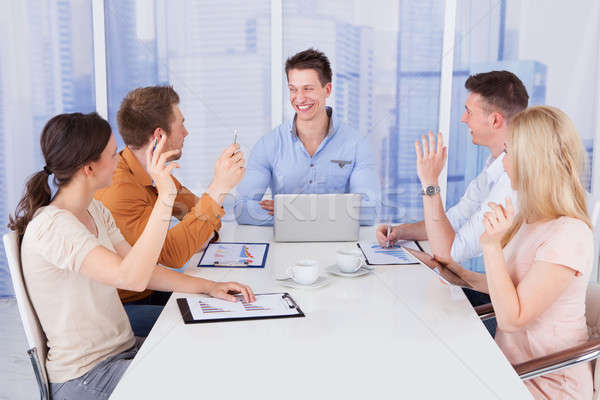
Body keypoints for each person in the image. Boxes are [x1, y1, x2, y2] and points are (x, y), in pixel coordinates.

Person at [10, 112, 255, 400]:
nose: (119, 160)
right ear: (89, 168)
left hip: (121, 350)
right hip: (86, 376)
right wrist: (164, 197)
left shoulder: (94, 210)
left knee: (211, 351)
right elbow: (132, 277)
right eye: (113, 155)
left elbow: (145, 269)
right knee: (199, 382)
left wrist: (209, 288)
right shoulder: (54, 227)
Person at [433, 106, 593, 399]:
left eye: (509, 152)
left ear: (533, 161)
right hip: (505, 368)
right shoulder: (529, 220)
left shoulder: (569, 234)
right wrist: (455, 272)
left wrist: (491, 246)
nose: (503, 163)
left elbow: (512, 317)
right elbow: (508, 287)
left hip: (542, 382)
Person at [95, 86, 245, 335]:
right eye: (181, 124)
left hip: (151, 290)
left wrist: (198, 227)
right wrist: (218, 187)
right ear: (159, 136)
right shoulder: (119, 189)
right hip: (123, 306)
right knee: (216, 323)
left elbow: (200, 215)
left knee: (231, 303)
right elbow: (173, 254)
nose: (187, 132)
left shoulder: (154, 172)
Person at [377, 71, 528, 267]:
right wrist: (399, 231)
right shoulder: (495, 165)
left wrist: (430, 183)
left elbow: (450, 253)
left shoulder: (512, 180)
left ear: (495, 120)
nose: (463, 119)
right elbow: (454, 220)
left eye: (469, 112)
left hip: (504, 294)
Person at [234, 48, 380, 226]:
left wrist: (290, 211)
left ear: (327, 90)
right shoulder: (269, 144)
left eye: (308, 89)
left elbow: (369, 211)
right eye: (293, 89)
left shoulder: (357, 144)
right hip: (283, 249)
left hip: (339, 249)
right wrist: (330, 214)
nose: (300, 98)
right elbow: (242, 209)